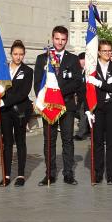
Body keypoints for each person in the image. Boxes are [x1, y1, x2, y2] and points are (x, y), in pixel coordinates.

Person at [34, 26, 83, 185]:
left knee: (67, 140)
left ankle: (68, 174)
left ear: (66, 40)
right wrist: (46, 98)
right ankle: (50, 174)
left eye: (63, 39)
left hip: (66, 105)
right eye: (57, 39)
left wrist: (58, 92)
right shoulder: (43, 58)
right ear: (52, 38)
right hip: (49, 106)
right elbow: (37, 83)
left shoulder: (73, 59)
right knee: (49, 140)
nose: (60, 42)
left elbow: (76, 81)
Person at [85, 39, 112, 185]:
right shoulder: (92, 68)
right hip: (97, 108)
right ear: (99, 52)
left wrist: (100, 84)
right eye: (104, 51)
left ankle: (110, 174)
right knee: (98, 142)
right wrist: (88, 109)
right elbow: (87, 89)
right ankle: (98, 173)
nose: (108, 53)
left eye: (109, 51)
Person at [0, 40, 33, 187]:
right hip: (5, 112)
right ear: (10, 54)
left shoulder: (28, 71)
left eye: (21, 54)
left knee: (20, 142)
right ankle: (6, 174)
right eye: (15, 54)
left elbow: (23, 94)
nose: (18, 57)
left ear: (24, 55)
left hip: (20, 112)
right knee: (7, 143)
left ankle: (20, 174)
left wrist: (5, 102)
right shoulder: (2, 69)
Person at [74, 52, 90, 141]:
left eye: (81, 59)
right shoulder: (79, 70)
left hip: (86, 96)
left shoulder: (88, 71)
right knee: (80, 113)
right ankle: (86, 128)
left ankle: (81, 133)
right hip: (80, 97)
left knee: (83, 113)